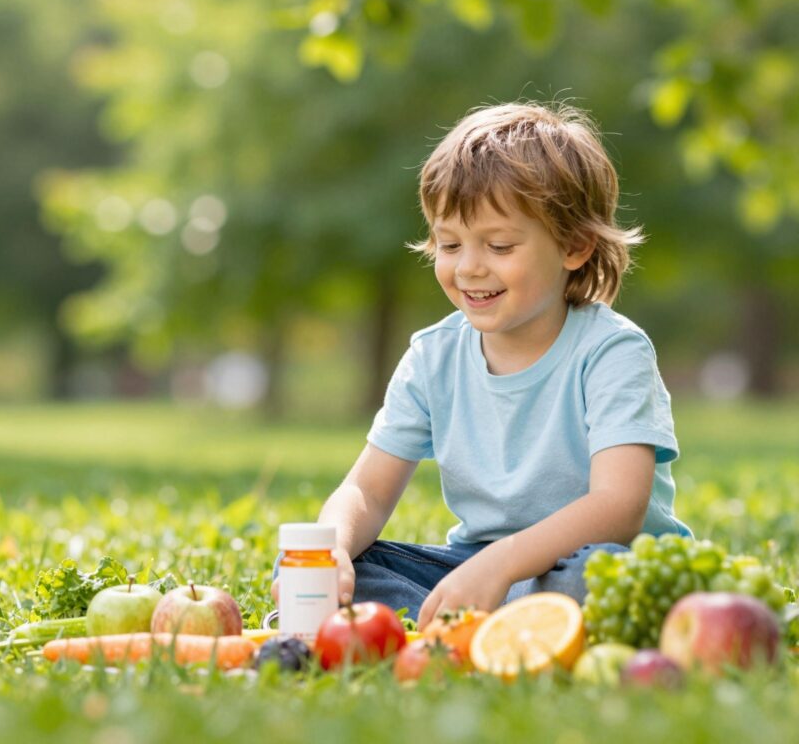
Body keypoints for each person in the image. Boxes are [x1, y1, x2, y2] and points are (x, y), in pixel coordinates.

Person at [272, 101, 691, 631]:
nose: (469, 266)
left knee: (588, 577)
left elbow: (619, 505)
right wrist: (329, 550)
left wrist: (505, 561)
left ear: (575, 245)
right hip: (478, 567)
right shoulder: (433, 356)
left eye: (498, 244)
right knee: (342, 567)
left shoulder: (612, 352)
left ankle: (486, 622)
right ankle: (484, 621)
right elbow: (368, 491)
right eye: (449, 244)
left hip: (594, 562)